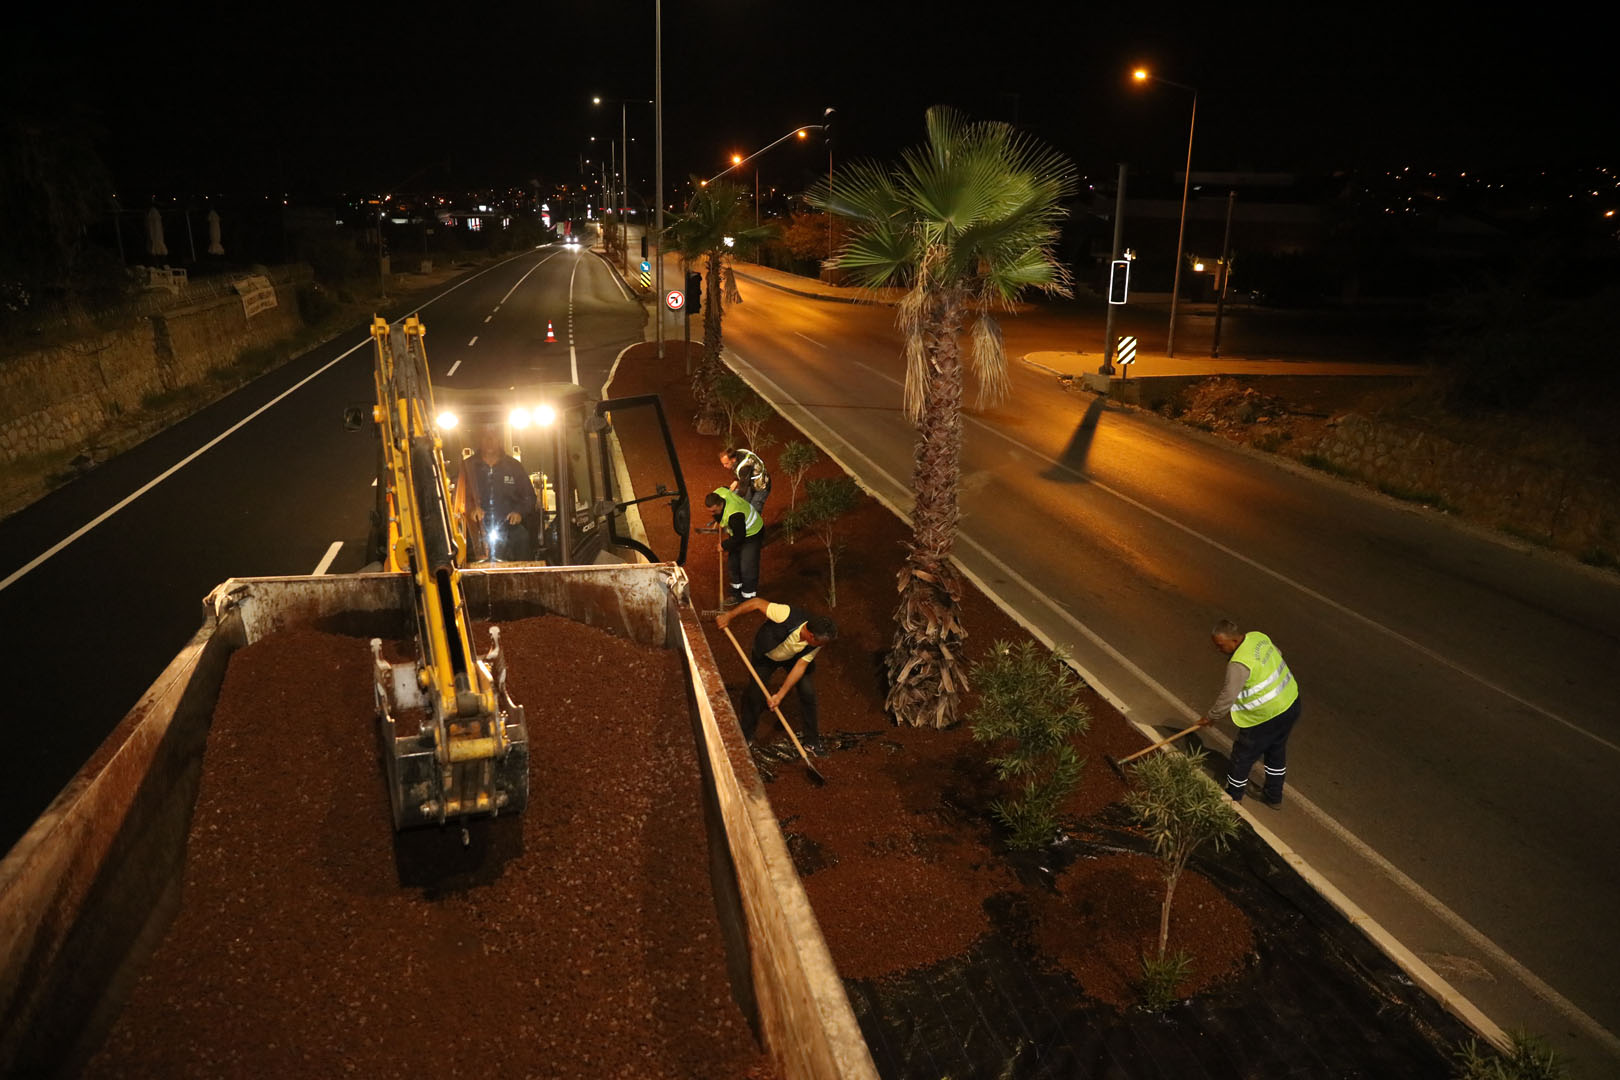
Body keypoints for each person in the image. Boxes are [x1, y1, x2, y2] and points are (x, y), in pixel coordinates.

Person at [1197, 619, 1301, 808]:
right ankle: (1273, 796)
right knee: (1276, 751)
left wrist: (1211, 716)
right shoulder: (1258, 637)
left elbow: (1228, 695)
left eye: (1221, 646)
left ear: (1234, 641)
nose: (1219, 650)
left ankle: (1233, 797)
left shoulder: (1238, 664)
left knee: (1242, 755)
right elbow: (1278, 654)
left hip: (1265, 716)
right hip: (1291, 702)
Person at [717, 597, 837, 753]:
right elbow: (756, 603)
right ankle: (745, 736)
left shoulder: (817, 642)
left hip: (794, 657)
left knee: (808, 693)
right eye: (820, 643)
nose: (822, 646)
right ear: (811, 636)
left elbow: (800, 666)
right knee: (755, 693)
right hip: (767, 655)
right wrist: (729, 616)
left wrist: (779, 695)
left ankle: (812, 742)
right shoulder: (786, 614)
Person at [455, 426, 536, 562]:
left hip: (508, 525)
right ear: (479, 440)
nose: (489, 440)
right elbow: (457, 498)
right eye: (486, 436)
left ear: (499, 440)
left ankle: (522, 576)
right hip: (475, 527)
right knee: (459, 543)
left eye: (493, 437)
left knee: (522, 537)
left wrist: (519, 513)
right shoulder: (468, 466)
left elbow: (529, 497)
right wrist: (471, 510)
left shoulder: (514, 466)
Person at [705, 486, 762, 603]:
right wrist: (718, 517)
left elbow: (740, 537)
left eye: (714, 511)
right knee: (733, 563)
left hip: (752, 533)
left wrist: (724, 545)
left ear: (720, 504)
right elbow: (725, 488)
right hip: (737, 531)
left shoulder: (734, 515)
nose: (712, 513)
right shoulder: (718, 493)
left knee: (747, 566)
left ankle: (748, 598)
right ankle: (736, 592)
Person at [720, 446, 771, 518]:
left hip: (762, 486)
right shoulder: (739, 453)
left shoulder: (744, 466)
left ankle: (754, 527)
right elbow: (740, 472)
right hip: (751, 482)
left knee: (754, 511)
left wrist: (732, 502)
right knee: (745, 505)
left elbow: (742, 490)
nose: (724, 466)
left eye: (726, 463)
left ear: (733, 459)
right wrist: (736, 480)